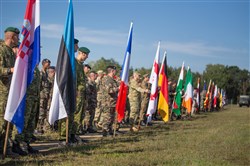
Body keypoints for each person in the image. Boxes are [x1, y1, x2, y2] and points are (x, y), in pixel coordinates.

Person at [0, 27, 20, 155]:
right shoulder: (1, 50)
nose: (19, 39)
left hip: (10, 93)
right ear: (12, 37)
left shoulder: (11, 53)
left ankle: (5, 148)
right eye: (17, 37)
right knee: (1, 122)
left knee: (8, 121)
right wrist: (11, 70)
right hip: (2, 92)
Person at [73, 47, 90, 142]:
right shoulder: (75, 63)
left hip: (81, 94)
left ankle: (75, 133)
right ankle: (71, 134)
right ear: (81, 53)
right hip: (76, 94)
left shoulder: (80, 65)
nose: (87, 57)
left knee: (80, 115)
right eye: (86, 55)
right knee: (76, 114)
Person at [101, 66, 119, 136]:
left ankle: (109, 130)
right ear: (112, 71)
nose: (115, 72)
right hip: (107, 102)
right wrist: (118, 88)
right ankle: (105, 131)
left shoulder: (112, 80)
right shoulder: (107, 79)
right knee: (107, 117)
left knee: (111, 117)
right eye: (115, 71)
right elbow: (109, 90)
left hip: (112, 102)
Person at [37, 58, 52, 134]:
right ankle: (38, 128)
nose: (48, 64)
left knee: (45, 111)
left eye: (49, 63)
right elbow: (39, 85)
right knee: (41, 112)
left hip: (46, 96)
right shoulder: (41, 73)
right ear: (43, 64)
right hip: (42, 96)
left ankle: (42, 127)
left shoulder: (46, 73)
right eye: (47, 63)